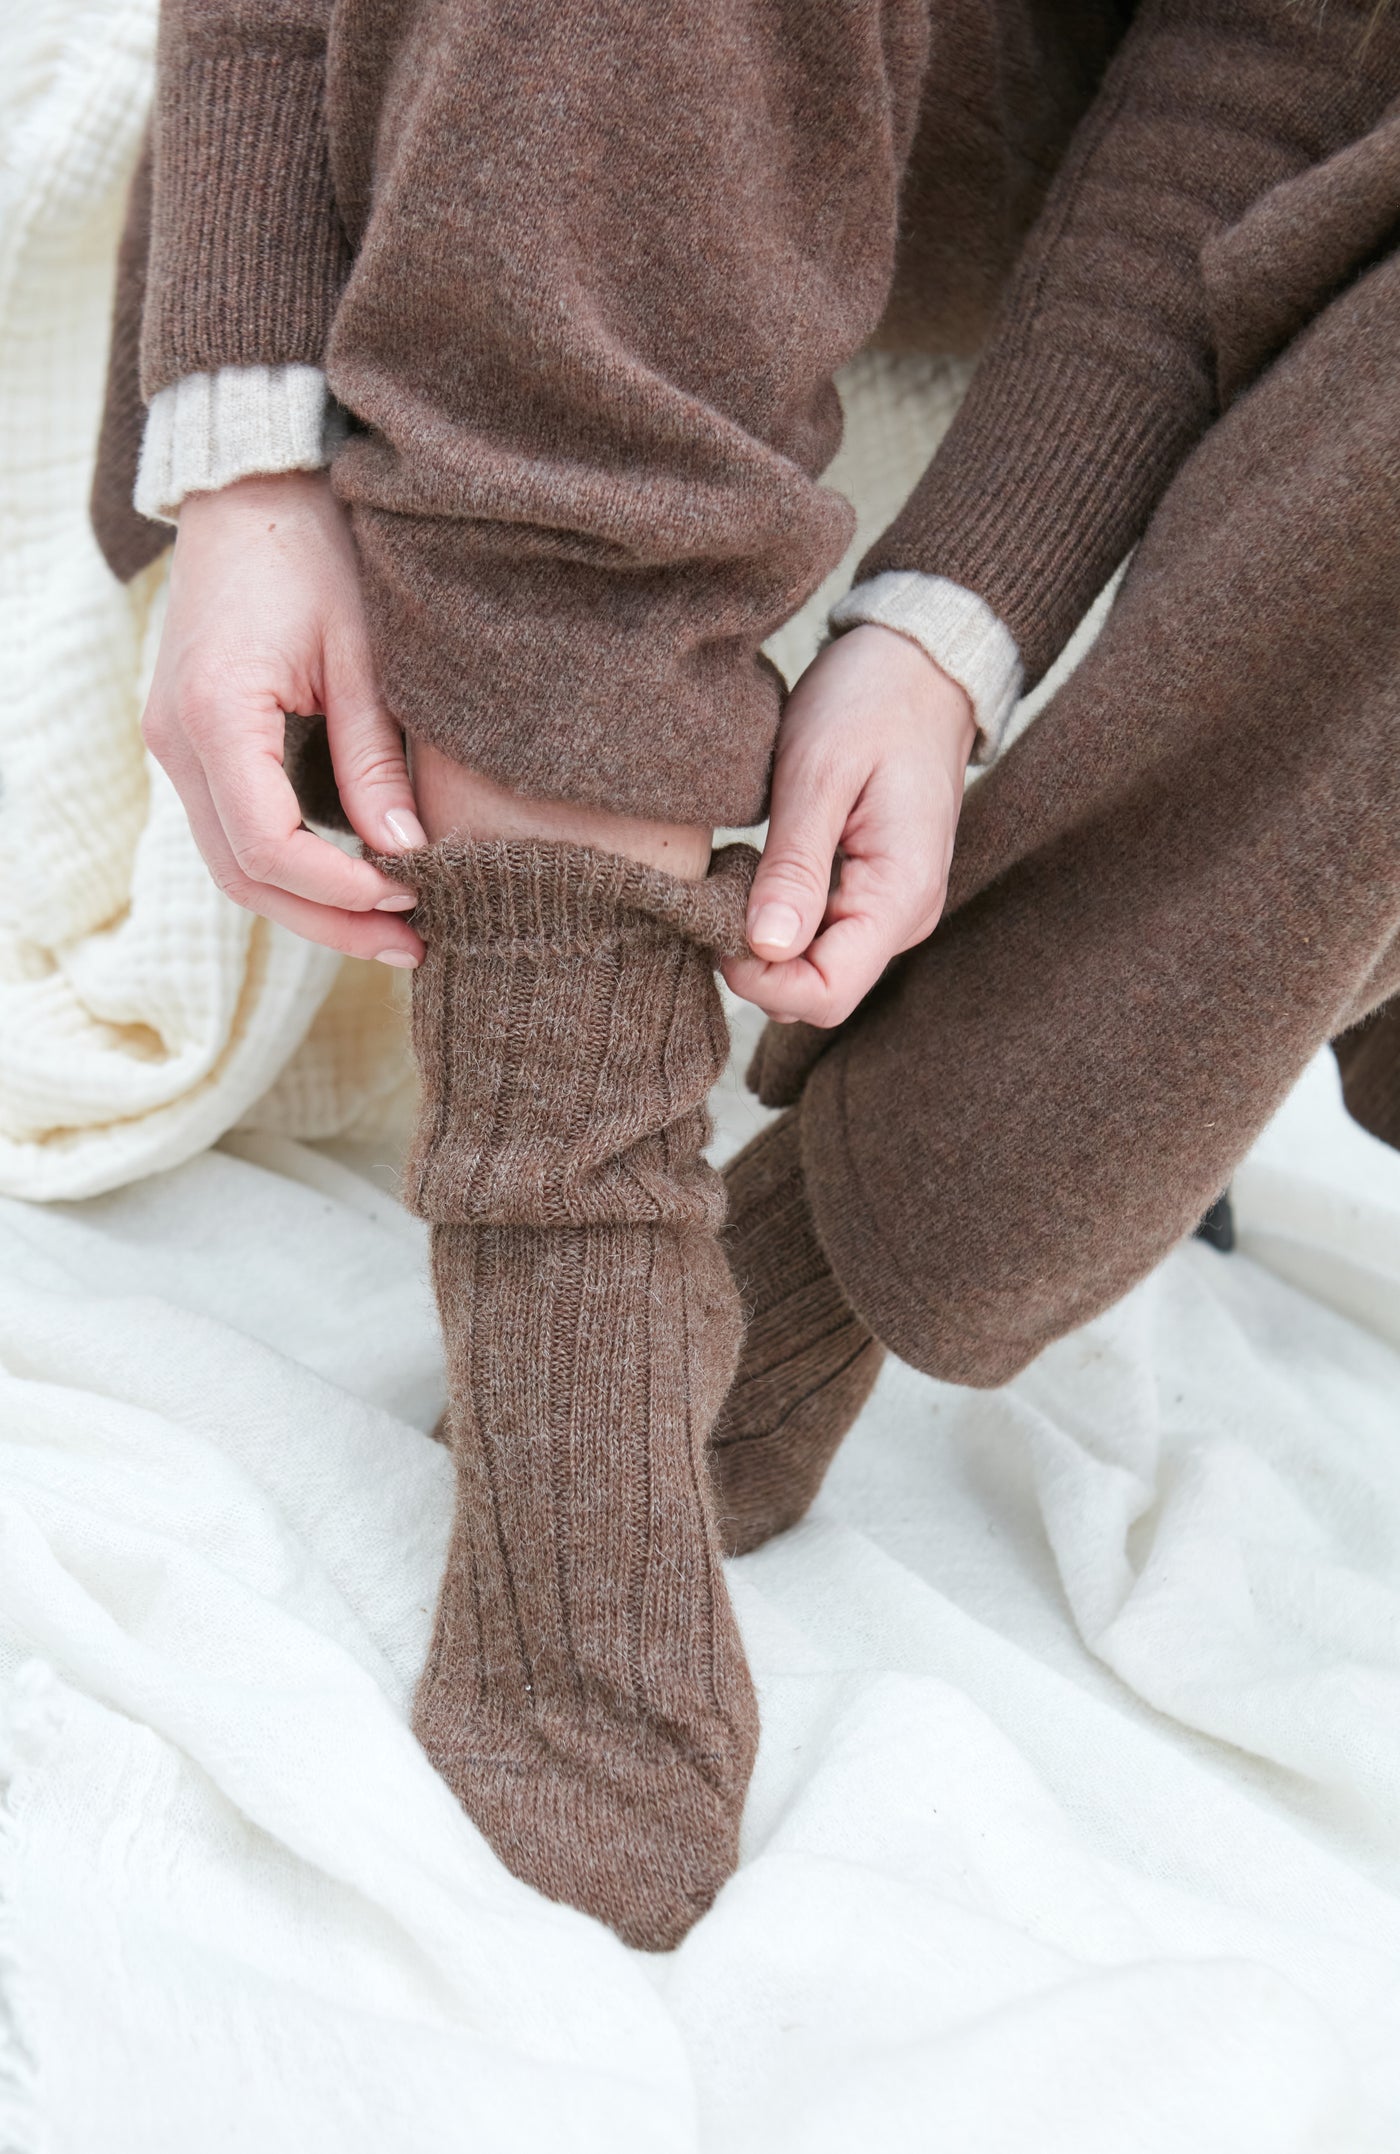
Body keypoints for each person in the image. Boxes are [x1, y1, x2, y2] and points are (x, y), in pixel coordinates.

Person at [91, 0, 1400, 1949]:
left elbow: (1265, 52)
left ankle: (831, 1234)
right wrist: (247, 441)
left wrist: (952, 616)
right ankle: (576, 1306)